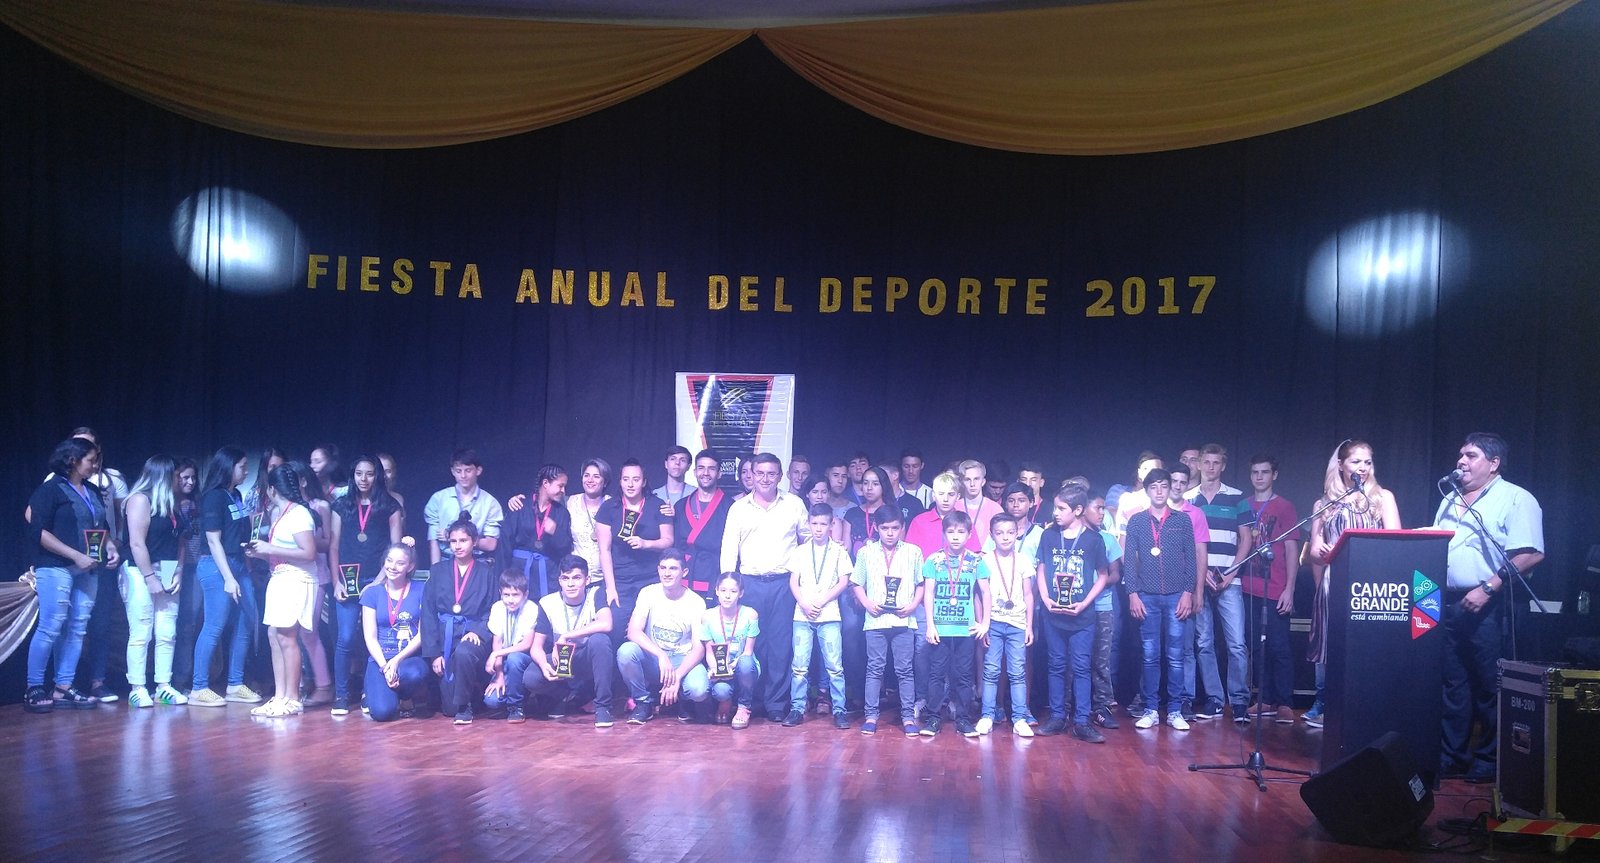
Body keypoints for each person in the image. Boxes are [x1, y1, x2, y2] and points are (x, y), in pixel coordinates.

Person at [1433, 433, 1543, 783]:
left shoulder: (1516, 498)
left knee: (1489, 685)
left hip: (1493, 602)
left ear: (1493, 463)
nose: (1461, 461)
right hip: (1451, 601)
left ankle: (1489, 759)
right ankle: (1453, 756)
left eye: (1471, 455)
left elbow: (1531, 553)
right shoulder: (1450, 499)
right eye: (1460, 455)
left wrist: (1488, 587)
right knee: (1454, 684)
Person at [1305, 439, 1401, 727]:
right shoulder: (1324, 503)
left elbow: (1395, 539)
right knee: (1328, 642)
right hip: (1334, 580)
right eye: (1356, 461)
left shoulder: (1382, 497)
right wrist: (1321, 552)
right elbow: (1313, 551)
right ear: (1341, 465)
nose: (1363, 467)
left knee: (1364, 644)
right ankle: (1324, 701)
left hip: (1371, 583)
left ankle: (1363, 702)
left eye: (1367, 462)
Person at [23, 437, 122, 712]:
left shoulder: (91, 489)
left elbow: (100, 526)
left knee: (78, 627)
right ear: (73, 460)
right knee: (51, 626)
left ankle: (63, 686)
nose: (95, 465)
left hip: (88, 568)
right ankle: (34, 687)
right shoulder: (51, 489)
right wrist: (75, 555)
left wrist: (110, 547)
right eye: (91, 460)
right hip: (56, 566)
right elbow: (38, 531)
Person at [720, 453, 809, 723]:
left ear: (780, 476)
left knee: (781, 645)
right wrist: (728, 583)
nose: (765, 479)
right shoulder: (738, 508)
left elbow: (807, 542)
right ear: (751, 475)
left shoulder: (794, 504)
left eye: (771, 474)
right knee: (752, 643)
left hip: (784, 583)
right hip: (750, 583)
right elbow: (729, 548)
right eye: (760, 473)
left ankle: (776, 703)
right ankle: (751, 701)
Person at [1182, 444, 1255, 725]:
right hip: (1199, 579)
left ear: (1223, 466)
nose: (1211, 467)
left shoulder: (1237, 497)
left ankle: (1239, 702)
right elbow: (1186, 543)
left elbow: (1246, 539)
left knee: (1237, 643)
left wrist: (1231, 572)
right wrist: (1201, 576)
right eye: (1207, 462)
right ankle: (1214, 699)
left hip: (1230, 579)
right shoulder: (1188, 498)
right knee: (1204, 642)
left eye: (1216, 463)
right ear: (1199, 464)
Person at [1122, 469, 1200, 732]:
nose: (1159, 491)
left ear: (1170, 489)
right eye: (1154, 486)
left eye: (1163, 486)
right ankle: (1151, 709)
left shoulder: (1182, 520)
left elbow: (1192, 559)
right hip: (1147, 596)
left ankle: (1175, 710)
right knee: (1149, 655)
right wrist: (1133, 594)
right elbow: (1129, 562)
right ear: (1146, 490)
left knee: (1176, 656)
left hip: (1177, 595)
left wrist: (1188, 592)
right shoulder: (1137, 521)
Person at [328, 455, 405, 715]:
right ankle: (340, 695)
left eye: (370, 473)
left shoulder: (390, 506)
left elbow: (395, 548)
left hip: (377, 580)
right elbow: (333, 546)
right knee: (346, 637)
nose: (364, 479)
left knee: (372, 638)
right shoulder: (341, 505)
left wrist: (380, 582)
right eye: (359, 473)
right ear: (352, 475)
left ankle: (367, 692)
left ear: (378, 476)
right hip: (347, 580)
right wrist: (336, 582)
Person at [243, 463, 321, 717]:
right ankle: (280, 696)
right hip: (280, 576)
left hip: (296, 579)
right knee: (273, 635)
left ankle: (293, 698)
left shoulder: (299, 514)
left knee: (287, 637)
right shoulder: (279, 514)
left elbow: (309, 553)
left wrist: (270, 549)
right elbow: (282, 553)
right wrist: (261, 553)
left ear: (273, 489)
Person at [1035, 488, 1112, 742]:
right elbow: (1041, 567)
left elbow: (1103, 575)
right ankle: (1057, 716)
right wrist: (1045, 598)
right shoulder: (1048, 535)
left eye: (1061, 509)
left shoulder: (1093, 539)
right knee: (1056, 665)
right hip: (1053, 613)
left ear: (1078, 510)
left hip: (1082, 615)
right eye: (1055, 507)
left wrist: (1085, 603)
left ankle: (1082, 721)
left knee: (1081, 667)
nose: (1055, 513)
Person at [186, 447, 261, 708]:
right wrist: (229, 577)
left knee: (246, 621)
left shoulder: (236, 495)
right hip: (216, 566)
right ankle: (198, 688)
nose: (246, 471)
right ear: (228, 467)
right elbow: (213, 540)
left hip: (239, 564)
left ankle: (235, 684)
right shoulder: (213, 497)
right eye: (242, 466)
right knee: (214, 625)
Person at [120, 455, 188, 707]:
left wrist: (178, 571)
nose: (180, 480)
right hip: (140, 570)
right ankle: (137, 687)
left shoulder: (172, 503)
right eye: (176, 475)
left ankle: (163, 686)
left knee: (167, 631)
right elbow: (136, 543)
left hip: (168, 567)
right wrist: (149, 577)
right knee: (142, 629)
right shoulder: (140, 499)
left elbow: (180, 541)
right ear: (164, 474)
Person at [852, 506, 924, 737]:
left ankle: (908, 717)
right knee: (875, 668)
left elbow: (921, 584)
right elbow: (856, 583)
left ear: (902, 528)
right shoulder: (866, 552)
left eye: (895, 528)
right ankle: (871, 715)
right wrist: (866, 603)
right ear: (876, 527)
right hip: (876, 620)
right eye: (885, 528)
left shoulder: (913, 551)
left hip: (904, 619)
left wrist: (913, 605)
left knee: (905, 670)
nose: (890, 533)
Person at [618, 549, 711, 723]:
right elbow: (633, 631)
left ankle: (683, 699)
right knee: (626, 651)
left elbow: (698, 649)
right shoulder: (648, 593)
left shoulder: (696, 602)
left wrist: (677, 677)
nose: (667, 573)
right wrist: (661, 655)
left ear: (684, 572)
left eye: (673, 568)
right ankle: (643, 703)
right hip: (655, 659)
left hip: (682, 659)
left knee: (699, 690)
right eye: (663, 568)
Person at [919, 511, 990, 738]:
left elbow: (985, 592)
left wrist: (985, 623)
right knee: (936, 674)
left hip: (965, 628)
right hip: (940, 628)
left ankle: (964, 719)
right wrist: (930, 625)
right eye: (950, 532)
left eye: (961, 532)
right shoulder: (933, 560)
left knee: (964, 676)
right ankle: (933, 718)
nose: (956, 536)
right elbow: (928, 593)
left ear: (969, 534)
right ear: (944, 534)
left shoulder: (976, 561)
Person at [1240, 456, 1300, 724]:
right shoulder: (1244, 505)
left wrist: (1290, 589)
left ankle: (1284, 701)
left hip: (1276, 587)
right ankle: (1263, 698)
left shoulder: (1284, 507)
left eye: (1265, 472)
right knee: (1255, 646)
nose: (1259, 477)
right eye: (1255, 472)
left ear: (1274, 475)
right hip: (1248, 586)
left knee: (1279, 646)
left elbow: (1291, 548)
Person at [421, 519, 499, 724]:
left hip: (472, 635)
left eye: (463, 540)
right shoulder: (437, 571)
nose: (457, 545)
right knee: (449, 709)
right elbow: (428, 612)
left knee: (465, 652)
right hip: (445, 634)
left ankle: (465, 708)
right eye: (453, 541)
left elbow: (494, 609)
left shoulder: (486, 572)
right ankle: (466, 700)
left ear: (474, 542)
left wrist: (479, 631)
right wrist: (434, 653)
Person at [524, 555, 616, 727]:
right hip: (561, 659)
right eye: (565, 578)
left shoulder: (595, 594)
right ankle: (563, 695)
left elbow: (606, 623)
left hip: (587, 658)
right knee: (531, 677)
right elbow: (536, 647)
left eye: (576, 578)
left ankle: (603, 706)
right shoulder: (547, 603)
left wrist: (567, 635)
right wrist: (543, 664)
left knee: (600, 641)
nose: (571, 584)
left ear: (587, 579)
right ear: (560, 581)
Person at [785, 504, 853, 729]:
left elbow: (843, 582)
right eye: (814, 523)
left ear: (832, 524)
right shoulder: (800, 551)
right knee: (799, 666)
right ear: (808, 524)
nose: (818, 528)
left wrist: (822, 601)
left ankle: (840, 710)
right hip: (802, 614)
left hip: (829, 614)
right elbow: (793, 581)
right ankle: (797, 708)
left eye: (823, 524)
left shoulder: (839, 551)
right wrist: (804, 603)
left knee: (835, 666)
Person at [597, 459, 676, 648]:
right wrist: (611, 588)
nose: (630, 484)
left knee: (650, 631)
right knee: (616, 630)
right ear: (620, 481)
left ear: (644, 481)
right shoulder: (609, 507)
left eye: (636, 479)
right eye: (626, 479)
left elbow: (668, 541)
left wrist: (645, 543)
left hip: (650, 579)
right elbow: (604, 550)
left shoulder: (657, 505)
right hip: (620, 581)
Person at [1163, 463, 1214, 722]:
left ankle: (1185, 699)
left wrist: (1198, 591)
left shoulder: (1196, 514)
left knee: (1184, 649)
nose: (1178, 486)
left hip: (1184, 589)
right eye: (1174, 481)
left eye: (1183, 482)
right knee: (1152, 648)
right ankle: (1153, 700)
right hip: (1155, 590)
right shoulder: (1153, 511)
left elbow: (1200, 554)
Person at [979, 512, 1035, 738]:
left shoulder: (1023, 560)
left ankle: (1019, 718)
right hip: (993, 623)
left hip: (1017, 624)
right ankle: (987, 715)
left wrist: (1029, 626)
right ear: (991, 535)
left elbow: (1029, 595)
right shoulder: (985, 560)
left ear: (1017, 533)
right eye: (1000, 533)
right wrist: (983, 624)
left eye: (1010, 532)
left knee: (1017, 672)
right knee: (991, 670)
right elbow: (979, 595)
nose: (1005, 537)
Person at [359, 543, 429, 723]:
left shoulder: (421, 589)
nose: (393, 566)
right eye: (389, 561)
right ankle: (378, 691)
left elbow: (422, 634)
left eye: (400, 563)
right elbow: (370, 637)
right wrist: (385, 666)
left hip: (408, 658)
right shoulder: (372, 593)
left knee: (415, 673)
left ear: (410, 567)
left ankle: (405, 696)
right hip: (380, 659)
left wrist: (396, 661)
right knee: (382, 713)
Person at [287, 459, 334, 707]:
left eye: (291, 480)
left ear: (303, 481)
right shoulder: (286, 508)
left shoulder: (320, 506)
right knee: (288, 632)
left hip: (317, 573)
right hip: (289, 574)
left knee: (309, 631)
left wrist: (307, 540)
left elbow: (329, 542)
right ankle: (296, 685)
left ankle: (324, 686)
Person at [502, 464, 574, 601]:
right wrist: (502, 576)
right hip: (518, 572)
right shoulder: (519, 505)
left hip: (547, 575)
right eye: (560, 486)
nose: (563, 491)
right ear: (546, 483)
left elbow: (566, 549)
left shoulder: (562, 513)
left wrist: (555, 532)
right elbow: (505, 544)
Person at [1083, 490, 1124, 730]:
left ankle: (1101, 707)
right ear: (1082, 509)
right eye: (1097, 507)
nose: (1102, 512)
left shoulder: (1108, 539)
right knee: (1075, 661)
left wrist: (1094, 585)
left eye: (1103, 508)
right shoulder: (1071, 537)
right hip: (1075, 608)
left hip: (1102, 607)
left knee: (1101, 660)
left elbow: (1115, 574)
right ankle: (1070, 708)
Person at [422, 449, 503, 566]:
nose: (463, 476)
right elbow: (433, 541)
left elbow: (491, 544)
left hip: (477, 562)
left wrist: (455, 538)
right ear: (452, 471)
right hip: (446, 560)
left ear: (478, 470)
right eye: (458, 471)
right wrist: (435, 569)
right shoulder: (438, 499)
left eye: (468, 470)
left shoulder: (490, 503)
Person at [700, 573, 761, 728]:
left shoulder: (750, 614)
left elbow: (748, 651)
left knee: (746, 663)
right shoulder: (707, 616)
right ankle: (725, 702)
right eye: (723, 590)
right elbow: (709, 651)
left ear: (740, 593)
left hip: (743, 665)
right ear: (716, 591)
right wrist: (716, 669)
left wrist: (731, 666)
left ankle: (744, 707)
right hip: (720, 667)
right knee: (721, 691)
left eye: (733, 591)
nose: (727, 596)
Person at [478, 571, 539, 723]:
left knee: (514, 658)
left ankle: (516, 706)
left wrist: (496, 654)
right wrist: (499, 676)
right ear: (500, 593)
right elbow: (497, 643)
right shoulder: (497, 608)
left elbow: (526, 644)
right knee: (492, 701)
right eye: (506, 595)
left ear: (525, 594)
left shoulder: (531, 608)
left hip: (525, 658)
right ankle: (514, 693)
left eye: (515, 595)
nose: (510, 600)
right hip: (506, 659)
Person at [673, 450, 733, 597]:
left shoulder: (730, 506)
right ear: (694, 472)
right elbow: (676, 545)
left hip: (714, 577)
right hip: (685, 576)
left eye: (711, 469)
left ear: (719, 473)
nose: (705, 473)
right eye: (701, 468)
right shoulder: (681, 506)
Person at [566, 458, 612, 581]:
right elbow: (543, 501)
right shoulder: (569, 502)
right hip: (575, 577)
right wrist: (520, 500)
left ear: (605, 482)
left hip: (605, 578)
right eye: (586, 475)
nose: (590, 480)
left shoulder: (613, 505)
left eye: (596, 476)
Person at [956, 460, 1004, 549]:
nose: (972, 484)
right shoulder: (954, 508)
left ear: (983, 481)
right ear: (962, 482)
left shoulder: (996, 509)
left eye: (976, 479)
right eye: (967, 479)